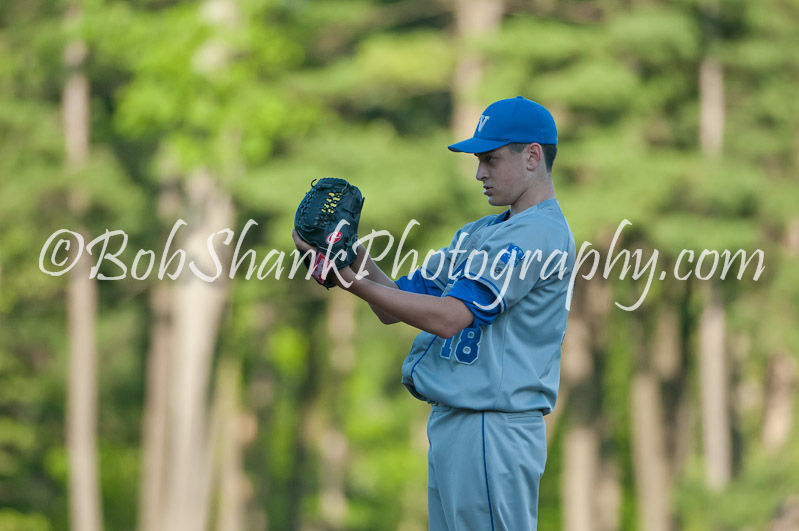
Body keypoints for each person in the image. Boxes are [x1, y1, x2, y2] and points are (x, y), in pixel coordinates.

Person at [293, 96, 575, 530]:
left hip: (493, 427)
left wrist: (348, 281)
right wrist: (348, 254)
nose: (479, 172)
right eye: (479, 160)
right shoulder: (484, 231)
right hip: (459, 422)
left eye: (491, 159)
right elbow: (396, 302)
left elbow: (449, 318)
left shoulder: (539, 233)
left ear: (532, 156)